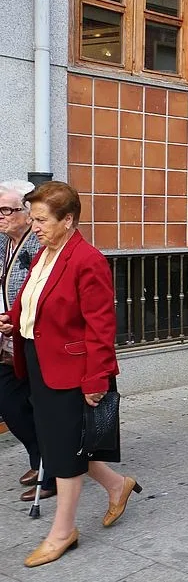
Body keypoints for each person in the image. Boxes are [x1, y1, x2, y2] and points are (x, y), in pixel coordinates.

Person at [0, 182, 140, 567]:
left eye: (42, 219)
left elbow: (100, 327)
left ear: (69, 220)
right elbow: (35, 301)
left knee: (62, 449)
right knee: (61, 444)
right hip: (39, 361)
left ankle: (63, 532)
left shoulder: (86, 260)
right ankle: (117, 485)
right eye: (32, 218)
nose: (35, 226)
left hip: (71, 370)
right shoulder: (44, 254)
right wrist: (14, 321)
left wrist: (96, 379)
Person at [0, 180, 56, 502]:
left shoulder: (38, 245)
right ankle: (40, 457)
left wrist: (15, 317)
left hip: (29, 337)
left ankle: (48, 469)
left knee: (39, 405)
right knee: (10, 402)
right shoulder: (2, 243)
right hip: (7, 340)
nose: (2, 216)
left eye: (7, 210)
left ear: (26, 213)